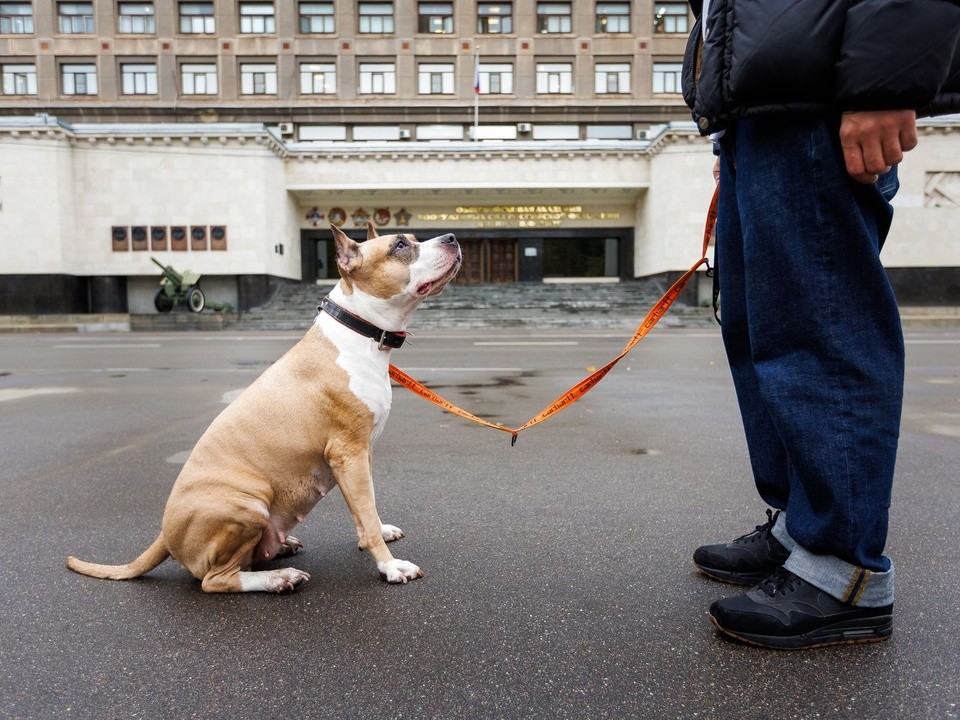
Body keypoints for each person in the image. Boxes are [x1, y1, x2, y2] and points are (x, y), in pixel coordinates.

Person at [681, 0, 960, 649]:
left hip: (820, 88)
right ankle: (799, 530)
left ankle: (844, 569)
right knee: (758, 332)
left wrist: (885, 78)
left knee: (821, 332)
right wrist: (725, 126)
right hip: (754, 105)